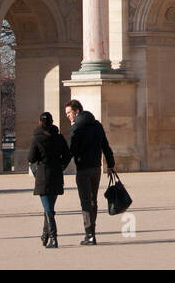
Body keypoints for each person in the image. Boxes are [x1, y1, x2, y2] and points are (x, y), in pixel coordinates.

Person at [64, 100, 114, 245]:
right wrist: (111, 165)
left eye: (69, 113)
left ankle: (89, 234)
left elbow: (71, 150)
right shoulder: (97, 125)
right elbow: (105, 146)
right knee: (93, 200)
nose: (68, 116)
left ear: (77, 111)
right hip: (96, 168)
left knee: (85, 202)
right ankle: (92, 232)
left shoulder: (76, 128)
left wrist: (60, 166)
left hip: (83, 169)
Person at [28, 111, 71, 248]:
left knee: (48, 209)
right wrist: (61, 166)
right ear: (52, 123)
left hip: (43, 174)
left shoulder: (37, 138)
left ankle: (53, 237)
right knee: (49, 208)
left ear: (40, 122)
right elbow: (68, 155)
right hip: (56, 173)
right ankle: (45, 234)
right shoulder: (59, 137)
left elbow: (31, 158)